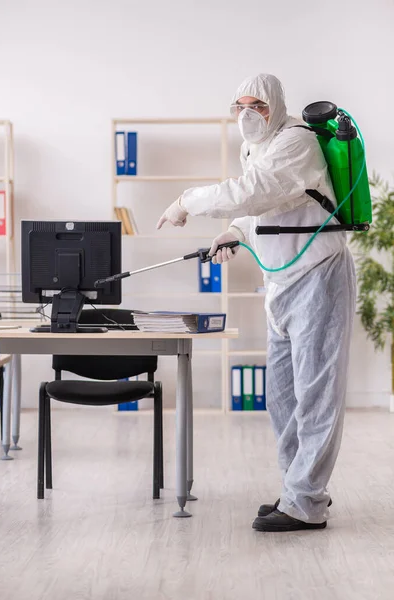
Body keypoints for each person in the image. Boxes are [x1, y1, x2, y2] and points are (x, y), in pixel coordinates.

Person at [157, 73, 356, 532]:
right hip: (280, 284)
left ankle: (306, 502)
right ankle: (297, 493)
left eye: (259, 106)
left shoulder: (296, 142)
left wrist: (187, 200)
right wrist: (235, 231)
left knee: (316, 396)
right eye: (240, 106)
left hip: (318, 277)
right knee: (282, 398)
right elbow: (265, 206)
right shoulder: (257, 148)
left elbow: (255, 190)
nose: (249, 115)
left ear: (277, 106)